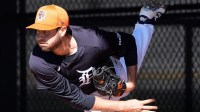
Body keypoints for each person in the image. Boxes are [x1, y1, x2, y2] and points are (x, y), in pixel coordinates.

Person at [26, 1, 166, 112]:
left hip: (116, 76)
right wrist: (126, 107)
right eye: (38, 31)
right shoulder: (39, 62)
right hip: (90, 97)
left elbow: (129, 43)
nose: (40, 37)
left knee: (136, 45)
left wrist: (131, 84)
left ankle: (145, 20)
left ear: (62, 30)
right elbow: (77, 99)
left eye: (46, 31)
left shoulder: (93, 41)